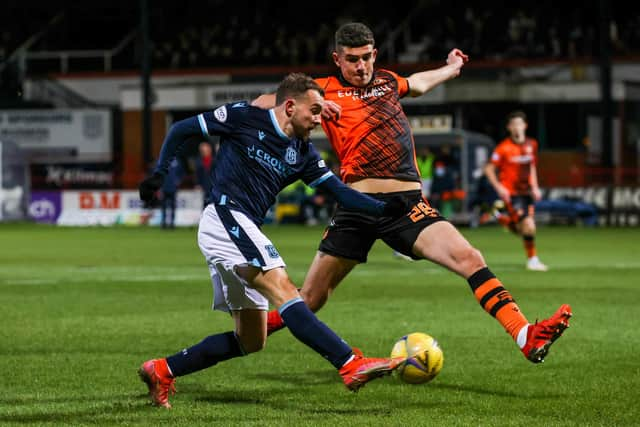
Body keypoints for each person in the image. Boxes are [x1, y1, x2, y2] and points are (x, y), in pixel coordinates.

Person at [255, 22, 571, 364]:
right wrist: (310, 108)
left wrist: (451, 68)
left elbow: (418, 83)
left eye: (365, 58)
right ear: (337, 60)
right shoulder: (323, 91)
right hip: (356, 207)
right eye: (351, 60)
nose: (360, 67)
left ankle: (525, 334)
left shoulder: (389, 82)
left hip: (406, 208)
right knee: (311, 298)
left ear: (374, 54)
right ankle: (250, 332)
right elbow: (262, 103)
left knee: (470, 258)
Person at [137, 73, 411, 409]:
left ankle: (162, 370)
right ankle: (349, 363)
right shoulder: (244, 117)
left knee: (251, 340)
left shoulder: (304, 153)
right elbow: (181, 129)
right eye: (314, 111)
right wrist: (160, 173)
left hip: (240, 227)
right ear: (291, 106)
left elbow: (339, 192)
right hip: (225, 216)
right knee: (284, 288)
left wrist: (385, 208)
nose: (318, 119)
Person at [484, 110, 548, 271]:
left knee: (523, 229)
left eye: (519, 124)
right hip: (512, 194)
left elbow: (531, 166)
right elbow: (489, 169)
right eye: (513, 124)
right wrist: (500, 187)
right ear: (509, 128)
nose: (517, 127)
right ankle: (533, 260)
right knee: (529, 225)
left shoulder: (531, 144)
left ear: (525, 126)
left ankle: (500, 217)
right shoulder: (503, 148)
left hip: (527, 193)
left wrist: (535, 187)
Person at [160, 157, 184, 229]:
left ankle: (172, 223)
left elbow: (181, 173)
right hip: (164, 187)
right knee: (163, 206)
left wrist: (178, 181)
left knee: (172, 206)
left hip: (173, 188)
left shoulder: (177, 162)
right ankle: (163, 223)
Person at [195, 141, 215, 208]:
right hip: (204, 185)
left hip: (214, 185)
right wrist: (198, 184)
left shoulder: (215, 160)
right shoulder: (199, 161)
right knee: (206, 202)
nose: (204, 151)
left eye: (206, 149)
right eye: (202, 150)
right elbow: (197, 174)